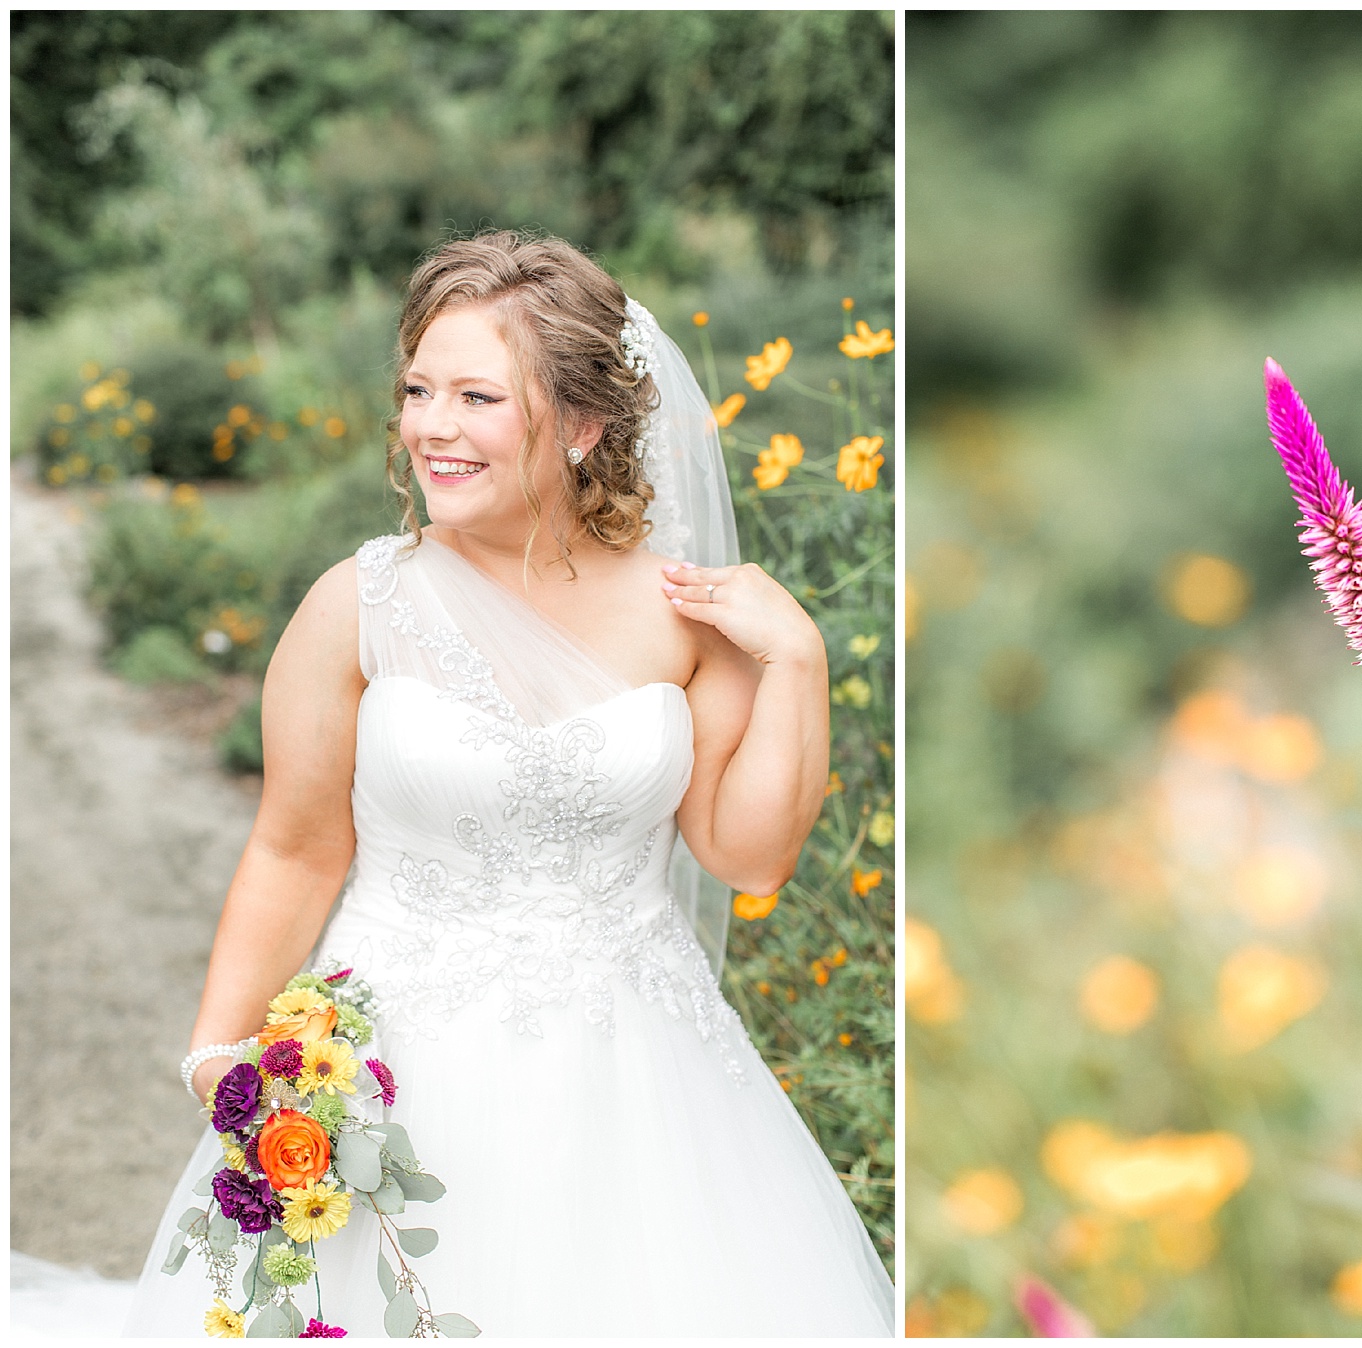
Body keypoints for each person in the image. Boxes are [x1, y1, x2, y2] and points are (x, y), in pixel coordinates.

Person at [124, 231, 895, 1336]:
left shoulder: (686, 612)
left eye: (478, 396)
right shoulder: (358, 605)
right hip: (391, 1073)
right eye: (418, 389)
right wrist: (218, 1054)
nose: (433, 425)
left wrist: (798, 657)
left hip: (639, 1085)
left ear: (582, 425)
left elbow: (751, 853)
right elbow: (295, 847)